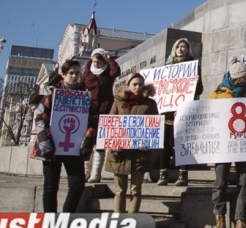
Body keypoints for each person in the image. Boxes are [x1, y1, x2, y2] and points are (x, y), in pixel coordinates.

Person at [33, 59, 98, 213]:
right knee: (50, 187)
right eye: (71, 73)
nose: (74, 76)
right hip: (51, 148)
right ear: (63, 75)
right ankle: (50, 224)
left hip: (74, 149)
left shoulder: (85, 97)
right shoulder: (52, 94)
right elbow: (40, 119)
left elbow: (93, 121)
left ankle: (64, 220)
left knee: (77, 185)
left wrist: (86, 142)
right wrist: (46, 144)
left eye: (77, 73)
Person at [209, 57, 246, 228]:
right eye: (243, 77)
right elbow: (208, 115)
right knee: (220, 181)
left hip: (243, 143)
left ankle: (240, 219)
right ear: (236, 78)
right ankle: (219, 218)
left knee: (244, 182)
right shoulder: (218, 92)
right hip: (223, 144)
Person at [105, 73, 159, 213]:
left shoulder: (150, 103)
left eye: (140, 84)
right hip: (120, 153)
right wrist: (114, 142)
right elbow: (111, 123)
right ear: (128, 85)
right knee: (119, 190)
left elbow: (154, 127)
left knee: (136, 190)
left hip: (140, 154)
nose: (137, 87)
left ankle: (132, 220)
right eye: (134, 84)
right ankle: (118, 222)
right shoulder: (118, 101)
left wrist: (148, 143)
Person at [157, 38, 202, 186]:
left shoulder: (194, 67)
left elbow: (200, 90)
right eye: (179, 46)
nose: (181, 49)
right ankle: (163, 174)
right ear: (174, 49)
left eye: (184, 46)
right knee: (165, 143)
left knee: (184, 143)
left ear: (188, 49)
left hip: (184, 110)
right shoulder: (167, 67)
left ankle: (183, 175)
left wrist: (196, 81)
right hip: (168, 110)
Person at [82, 47, 121, 183]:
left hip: (105, 110)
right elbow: (81, 87)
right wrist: (89, 62)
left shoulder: (108, 73)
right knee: (86, 141)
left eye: (99, 61)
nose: (96, 64)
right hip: (89, 111)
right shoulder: (88, 72)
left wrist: (109, 58)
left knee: (100, 142)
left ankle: (96, 173)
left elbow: (116, 71)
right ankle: (85, 172)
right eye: (94, 61)